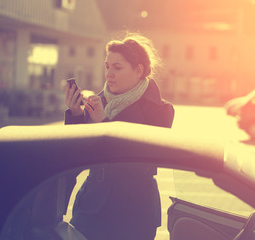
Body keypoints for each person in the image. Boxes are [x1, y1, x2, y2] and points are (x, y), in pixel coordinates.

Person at [63, 32, 175, 240]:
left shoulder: (161, 111)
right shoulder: (98, 102)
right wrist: (77, 115)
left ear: (138, 70)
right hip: (91, 210)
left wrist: (105, 124)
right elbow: (75, 155)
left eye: (117, 67)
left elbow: (141, 164)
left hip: (133, 215)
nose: (109, 74)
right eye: (107, 66)